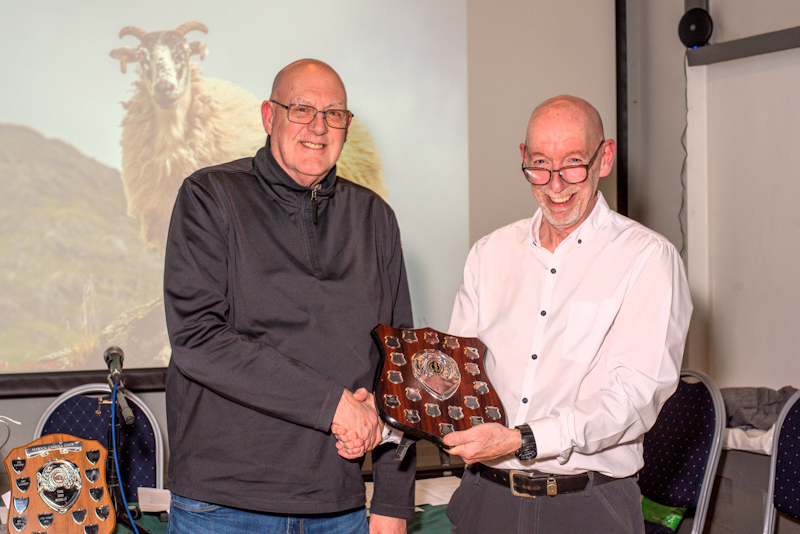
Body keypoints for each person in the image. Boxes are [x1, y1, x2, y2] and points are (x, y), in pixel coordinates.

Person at [163, 58, 415, 534]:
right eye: (301, 109)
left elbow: (399, 365)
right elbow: (197, 339)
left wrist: (393, 501)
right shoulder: (209, 196)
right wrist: (335, 405)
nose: (319, 127)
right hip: (224, 507)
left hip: (339, 507)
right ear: (268, 116)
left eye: (334, 114)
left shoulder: (375, 218)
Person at [442, 95, 693, 533]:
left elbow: (633, 396)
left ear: (605, 158)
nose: (555, 184)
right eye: (540, 164)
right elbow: (456, 375)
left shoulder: (648, 258)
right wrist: (392, 419)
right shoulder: (489, 253)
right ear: (524, 157)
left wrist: (524, 440)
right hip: (485, 498)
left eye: (573, 163)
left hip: (587, 506)